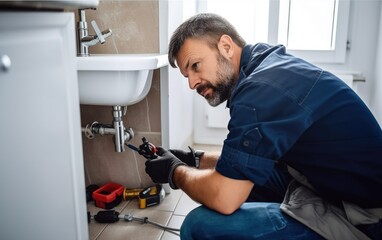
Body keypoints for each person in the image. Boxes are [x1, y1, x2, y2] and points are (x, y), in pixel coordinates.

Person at [145, 13, 382, 239]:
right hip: (329, 188)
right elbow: (245, 161)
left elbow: (224, 198)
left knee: (199, 227)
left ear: (226, 47)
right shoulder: (263, 62)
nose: (192, 83)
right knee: (251, 177)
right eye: (187, 75)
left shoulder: (260, 90)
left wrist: (174, 172)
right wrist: (192, 159)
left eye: (195, 65)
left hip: (365, 217)